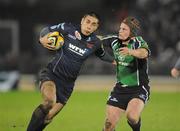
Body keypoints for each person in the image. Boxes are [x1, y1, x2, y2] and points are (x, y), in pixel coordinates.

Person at [26, 12, 115, 131]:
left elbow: (102, 55)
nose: (89, 26)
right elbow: (46, 30)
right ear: (82, 21)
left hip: (67, 84)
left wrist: (115, 61)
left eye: (93, 24)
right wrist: (42, 39)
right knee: (49, 102)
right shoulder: (67, 28)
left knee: (48, 117)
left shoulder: (95, 43)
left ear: (96, 27)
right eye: (88, 22)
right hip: (52, 74)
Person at [101, 16, 151, 131]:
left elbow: (144, 53)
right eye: (120, 28)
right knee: (109, 124)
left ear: (132, 32)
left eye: (124, 29)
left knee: (132, 117)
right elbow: (97, 40)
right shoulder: (114, 40)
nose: (120, 31)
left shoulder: (138, 42)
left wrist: (131, 52)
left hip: (138, 88)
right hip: (120, 89)